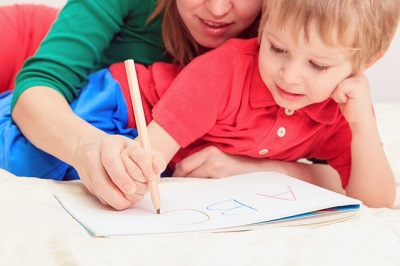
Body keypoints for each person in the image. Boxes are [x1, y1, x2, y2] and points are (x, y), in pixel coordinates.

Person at [3, 0, 398, 209]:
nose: (218, 9)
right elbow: (41, 86)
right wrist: (90, 150)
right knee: (31, 158)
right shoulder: (226, 68)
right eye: (277, 49)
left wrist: (362, 125)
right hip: (41, 57)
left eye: (316, 64)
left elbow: (366, 194)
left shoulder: (293, 27)